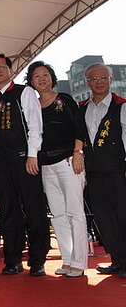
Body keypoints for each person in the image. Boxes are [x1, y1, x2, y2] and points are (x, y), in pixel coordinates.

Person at [0, 53, 49, 276]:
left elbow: (35, 125)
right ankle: (13, 259)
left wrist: (32, 155)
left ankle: (38, 260)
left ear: (10, 70)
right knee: (8, 211)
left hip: (24, 160)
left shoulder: (25, 92)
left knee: (34, 209)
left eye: (2, 67)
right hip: (0, 163)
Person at [26, 61, 88, 278]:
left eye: (45, 74)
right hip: (45, 166)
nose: (41, 79)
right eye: (36, 76)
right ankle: (68, 259)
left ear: (52, 78)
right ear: (31, 82)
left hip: (68, 161)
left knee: (75, 212)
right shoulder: (31, 106)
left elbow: (79, 127)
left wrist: (78, 153)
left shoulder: (65, 99)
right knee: (58, 214)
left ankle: (79, 262)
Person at [79, 63, 126, 279]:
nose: (98, 82)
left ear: (111, 80)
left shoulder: (121, 106)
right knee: (104, 218)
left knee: (123, 216)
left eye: (103, 78)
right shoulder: (82, 108)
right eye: (93, 79)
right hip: (94, 172)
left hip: (118, 171)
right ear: (87, 82)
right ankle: (117, 260)